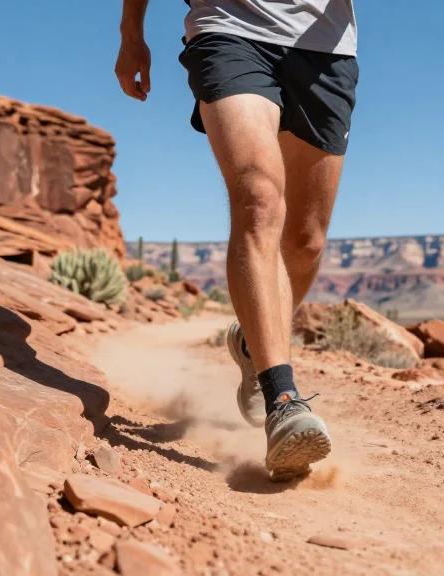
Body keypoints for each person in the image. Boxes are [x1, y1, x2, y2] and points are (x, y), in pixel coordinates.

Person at [115, 0, 358, 481]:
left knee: (306, 242)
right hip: (227, 29)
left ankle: (251, 339)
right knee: (259, 198)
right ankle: (283, 400)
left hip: (325, 46)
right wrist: (131, 35)